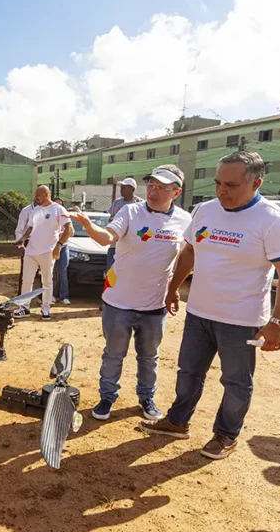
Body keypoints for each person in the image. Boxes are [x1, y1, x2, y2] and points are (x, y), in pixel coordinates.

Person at [140, 151, 280, 461]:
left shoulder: (273, 220)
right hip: (199, 313)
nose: (222, 191)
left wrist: (278, 322)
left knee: (236, 381)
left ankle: (226, 434)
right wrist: (173, 288)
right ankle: (177, 421)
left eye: (231, 185)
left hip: (243, 321)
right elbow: (189, 252)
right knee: (188, 372)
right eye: (218, 183)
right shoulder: (205, 211)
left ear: (256, 183)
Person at [71, 166, 191, 422]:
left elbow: (187, 258)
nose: (154, 192)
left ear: (176, 192)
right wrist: (89, 225)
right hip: (119, 301)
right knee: (113, 354)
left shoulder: (184, 220)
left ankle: (146, 397)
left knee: (149, 357)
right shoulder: (130, 212)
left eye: (161, 188)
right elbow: (106, 238)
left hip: (154, 305)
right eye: (151, 186)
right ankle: (107, 397)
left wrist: (174, 291)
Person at [15, 185, 72, 320]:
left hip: (47, 251)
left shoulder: (58, 209)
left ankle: (45, 308)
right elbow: (30, 227)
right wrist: (22, 240)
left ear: (46, 195)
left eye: (38, 196)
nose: (36, 198)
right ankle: (24, 307)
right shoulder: (36, 210)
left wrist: (59, 245)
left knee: (47, 281)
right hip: (31, 251)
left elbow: (68, 229)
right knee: (26, 280)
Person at [106, 177, 141, 271]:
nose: (121, 190)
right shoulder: (117, 202)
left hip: (131, 246)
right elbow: (110, 218)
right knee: (110, 271)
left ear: (132, 189)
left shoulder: (139, 203)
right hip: (115, 245)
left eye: (124, 187)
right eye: (121, 187)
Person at [53, 197, 71, 305]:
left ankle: (64, 296)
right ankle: (51, 295)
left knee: (63, 272)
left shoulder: (66, 217)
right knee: (50, 273)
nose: (58, 207)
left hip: (63, 247)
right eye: (56, 204)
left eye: (60, 204)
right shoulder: (49, 217)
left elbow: (70, 231)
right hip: (51, 247)